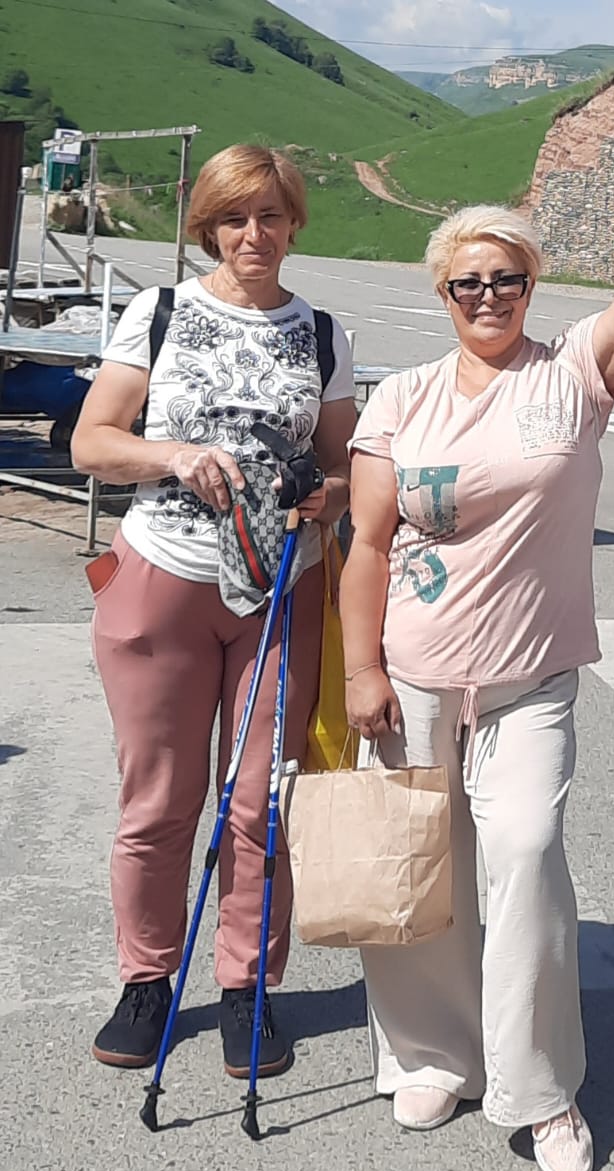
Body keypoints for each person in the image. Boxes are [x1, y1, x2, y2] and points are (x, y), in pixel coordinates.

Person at [341, 141, 614, 1171]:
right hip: (413, 675)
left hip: (527, 683)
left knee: (525, 857)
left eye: (508, 277)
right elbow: (367, 544)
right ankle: (431, 1055)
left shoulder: (573, 374)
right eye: (468, 281)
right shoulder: (403, 398)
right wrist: (360, 670)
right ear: (442, 293)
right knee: (413, 872)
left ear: (532, 285)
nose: (488, 294)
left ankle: (539, 1089)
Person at [71, 144, 356, 1081]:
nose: (253, 235)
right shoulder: (159, 313)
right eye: (234, 218)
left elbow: (343, 468)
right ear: (208, 228)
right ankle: (146, 980)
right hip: (164, 575)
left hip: (280, 589)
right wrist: (174, 456)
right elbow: (93, 443)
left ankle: (247, 986)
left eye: (270, 216)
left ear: (294, 224)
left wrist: (326, 494)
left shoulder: (321, 334)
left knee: (259, 801)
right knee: (158, 798)